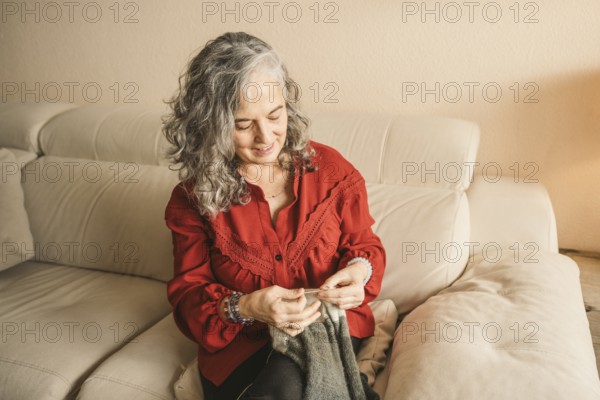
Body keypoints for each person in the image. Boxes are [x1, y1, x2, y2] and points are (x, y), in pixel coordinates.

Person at [162, 31, 386, 400]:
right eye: (243, 124)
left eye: (274, 114)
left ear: (287, 105)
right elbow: (188, 298)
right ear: (212, 125)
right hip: (246, 346)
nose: (265, 136)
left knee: (291, 375)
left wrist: (359, 272)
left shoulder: (331, 171)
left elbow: (364, 246)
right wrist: (246, 306)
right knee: (288, 380)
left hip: (328, 329)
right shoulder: (191, 200)